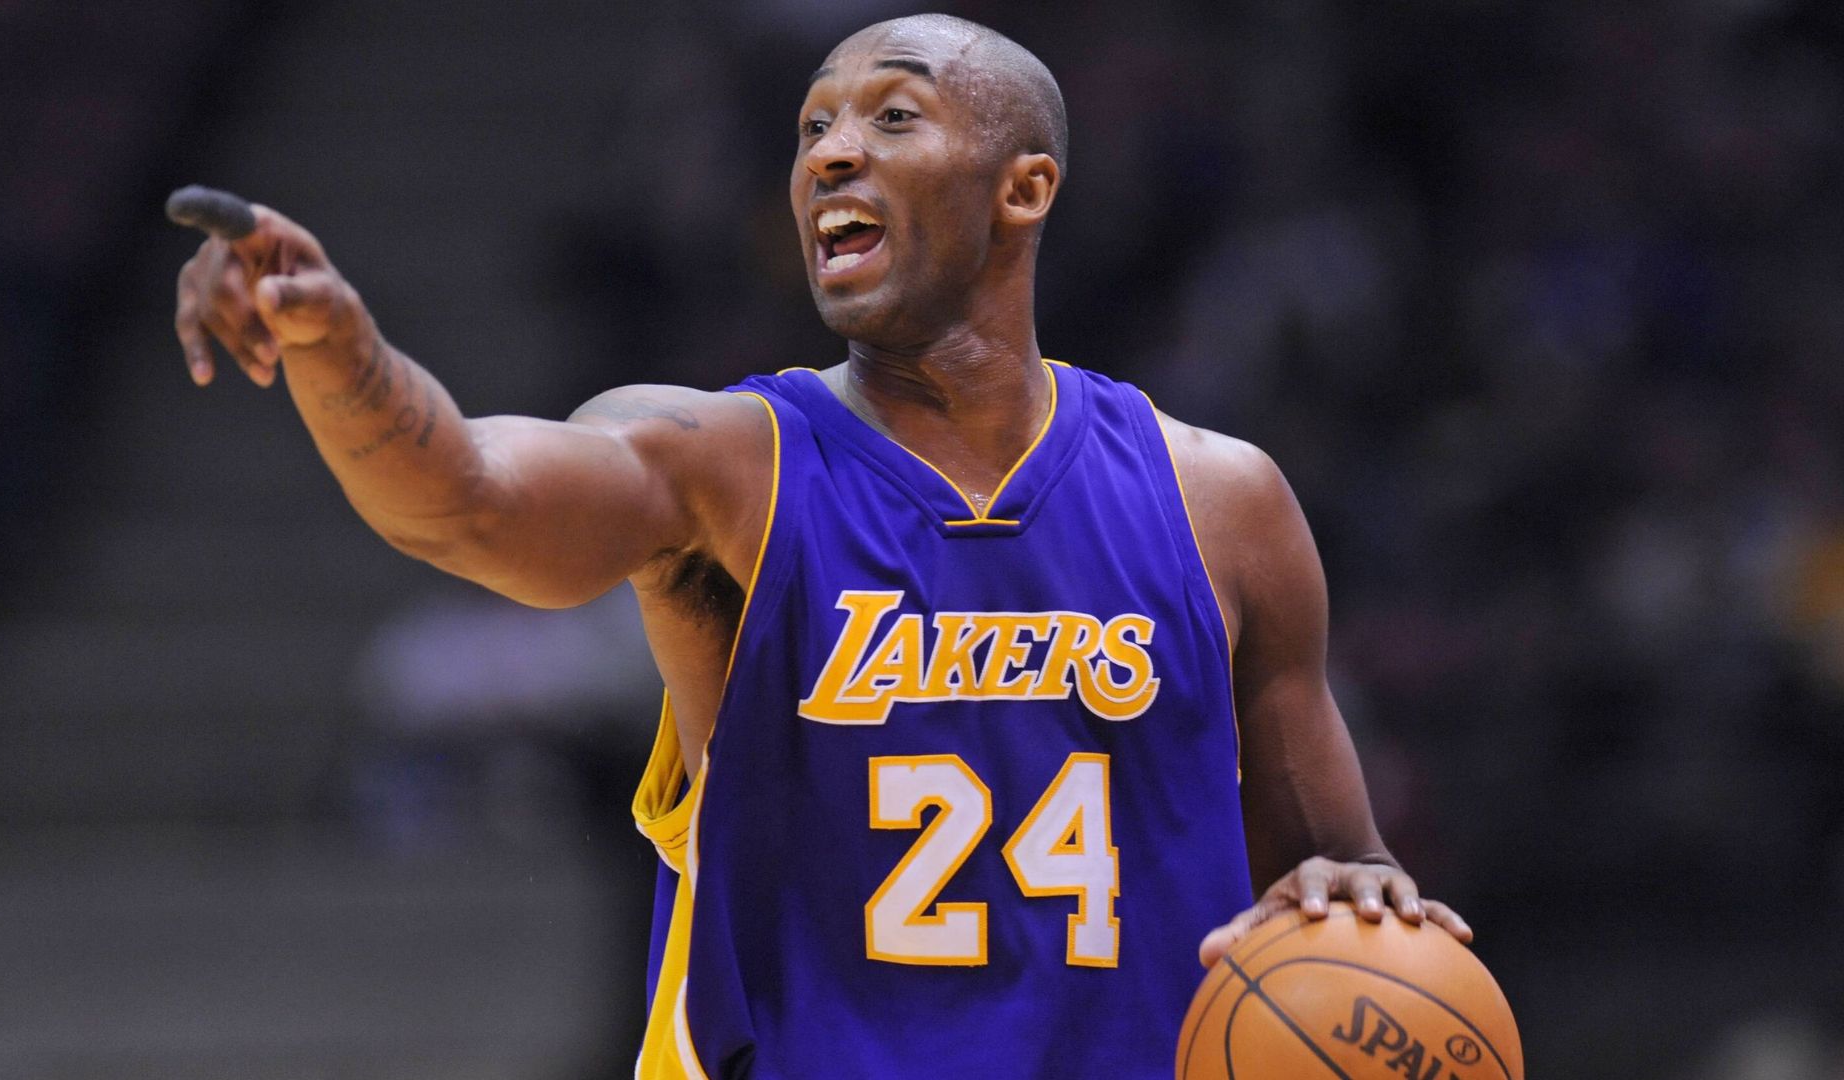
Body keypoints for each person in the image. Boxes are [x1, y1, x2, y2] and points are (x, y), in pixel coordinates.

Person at [170, 13, 1471, 1078]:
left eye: (891, 116)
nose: (831, 154)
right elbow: (466, 501)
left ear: (1023, 187)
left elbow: (1336, 874)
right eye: (811, 131)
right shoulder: (720, 463)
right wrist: (338, 355)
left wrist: (1369, 917)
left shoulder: (1222, 503)